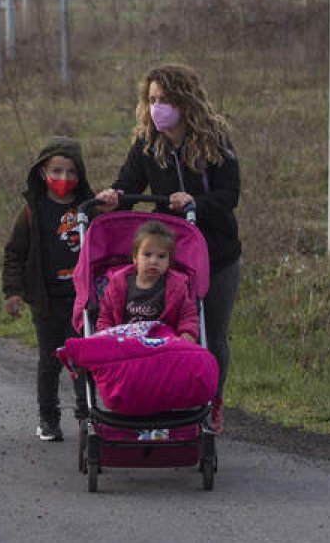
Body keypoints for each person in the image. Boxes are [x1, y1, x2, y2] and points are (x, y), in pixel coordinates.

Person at [94, 63, 240, 432]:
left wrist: (195, 202)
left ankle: (213, 402)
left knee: (213, 332)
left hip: (217, 251)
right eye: (152, 99)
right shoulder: (147, 142)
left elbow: (229, 193)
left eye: (165, 99)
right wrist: (114, 198)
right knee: (172, 328)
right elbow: (128, 185)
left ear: (184, 100)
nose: (158, 107)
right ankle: (170, 401)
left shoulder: (214, 140)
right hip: (170, 256)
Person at [1, 137, 93, 442]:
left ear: (80, 175)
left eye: (70, 172)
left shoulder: (89, 210)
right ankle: (48, 419)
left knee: (83, 360)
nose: (63, 179)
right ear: (43, 172)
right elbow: (15, 252)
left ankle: (87, 416)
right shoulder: (32, 211)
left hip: (82, 302)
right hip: (46, 300)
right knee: (49, 361)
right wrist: (12, 291)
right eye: (57, 171)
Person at [94, 220, 200, 341]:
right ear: (135, 258)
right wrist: (107, 335)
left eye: (161, 256)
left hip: (162, 343)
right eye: (147, 255)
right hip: (125, 342)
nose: (154, 261)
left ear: (169, 261)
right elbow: (106, 317)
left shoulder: (176, 287)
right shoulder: (118, 284)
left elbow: (187, 315)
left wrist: (187, 333)